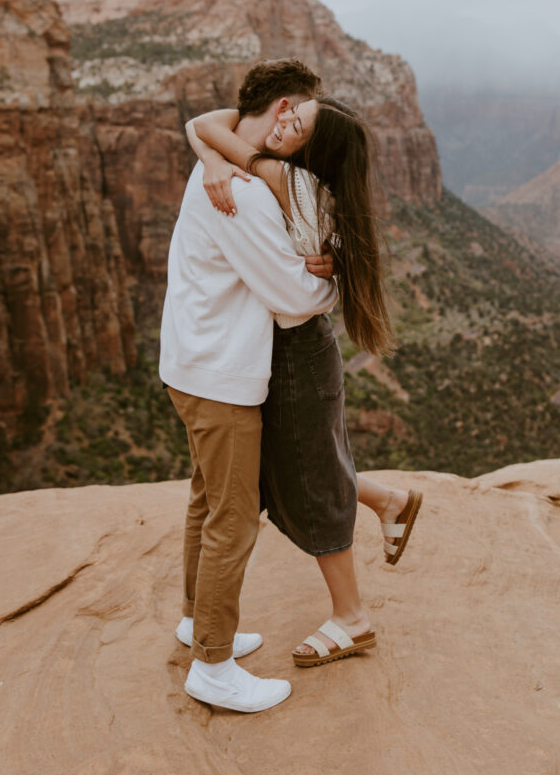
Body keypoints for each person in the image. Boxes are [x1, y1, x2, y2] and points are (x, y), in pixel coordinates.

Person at [186, 67, 422, 667]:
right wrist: (211, 152)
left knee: (311, 481)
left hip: (297, 350)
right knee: (287, 472)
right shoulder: (276, 170)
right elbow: (207, 124)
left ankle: (353, 618)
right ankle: (388, 502)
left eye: (300, 122)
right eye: (290, 110)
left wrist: (330, 285)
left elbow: (297, 299)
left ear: (313, 153)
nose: (286, 117)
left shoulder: (289, 183)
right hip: (280, 352)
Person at [159, 60, 338, 711]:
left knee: (206, 503)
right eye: (306, 121)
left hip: (189, 360)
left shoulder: (219, 159)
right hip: (221, 375)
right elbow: (293, 301)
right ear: (286, 107)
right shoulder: (244, 188)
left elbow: (206, 127)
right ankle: (211, 666)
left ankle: (194, 622)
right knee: (232, 521)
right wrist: (333, 279)